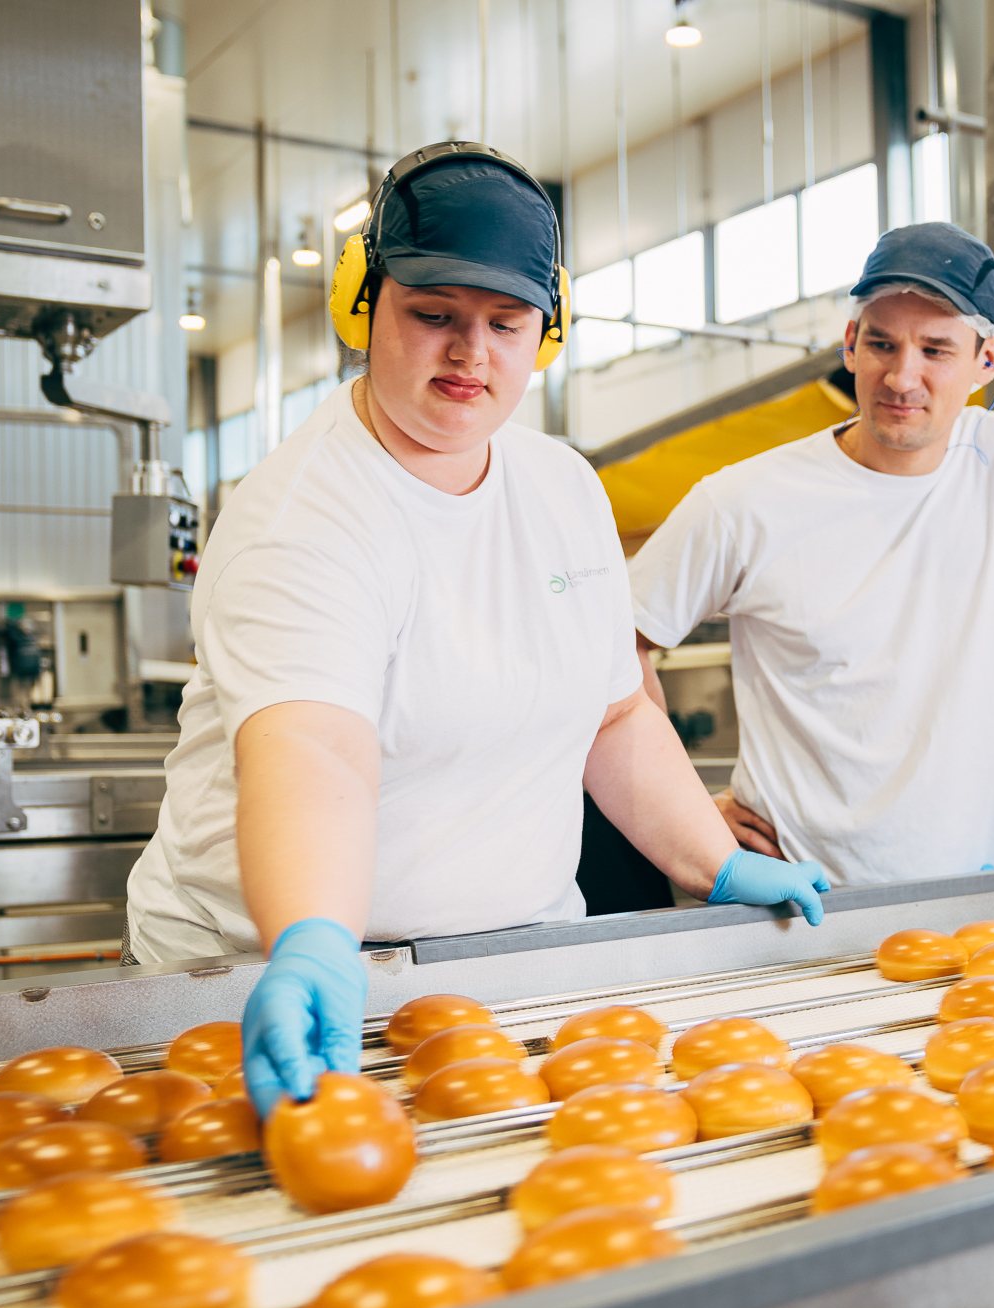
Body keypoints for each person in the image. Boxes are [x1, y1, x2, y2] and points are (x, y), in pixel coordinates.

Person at [125, 144, 830, 1117]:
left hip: (501, 976)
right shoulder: (303, 513)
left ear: (547, 334)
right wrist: (313, 942)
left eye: (505, 324)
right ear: (364, 307)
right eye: (434, 317)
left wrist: (712, 861)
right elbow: (314, 750)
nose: (471, 355)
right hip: (268, 984)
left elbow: (613, 714)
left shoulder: (560, 488)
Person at [630, 222, 994, 892]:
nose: (902, 376)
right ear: (850, 344)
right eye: (882, 343)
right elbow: (618, 644)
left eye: (936, 349)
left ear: (987, 358)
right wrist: (692, 813)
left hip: (973, 900)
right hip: (790, 902)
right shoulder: (745, 501)